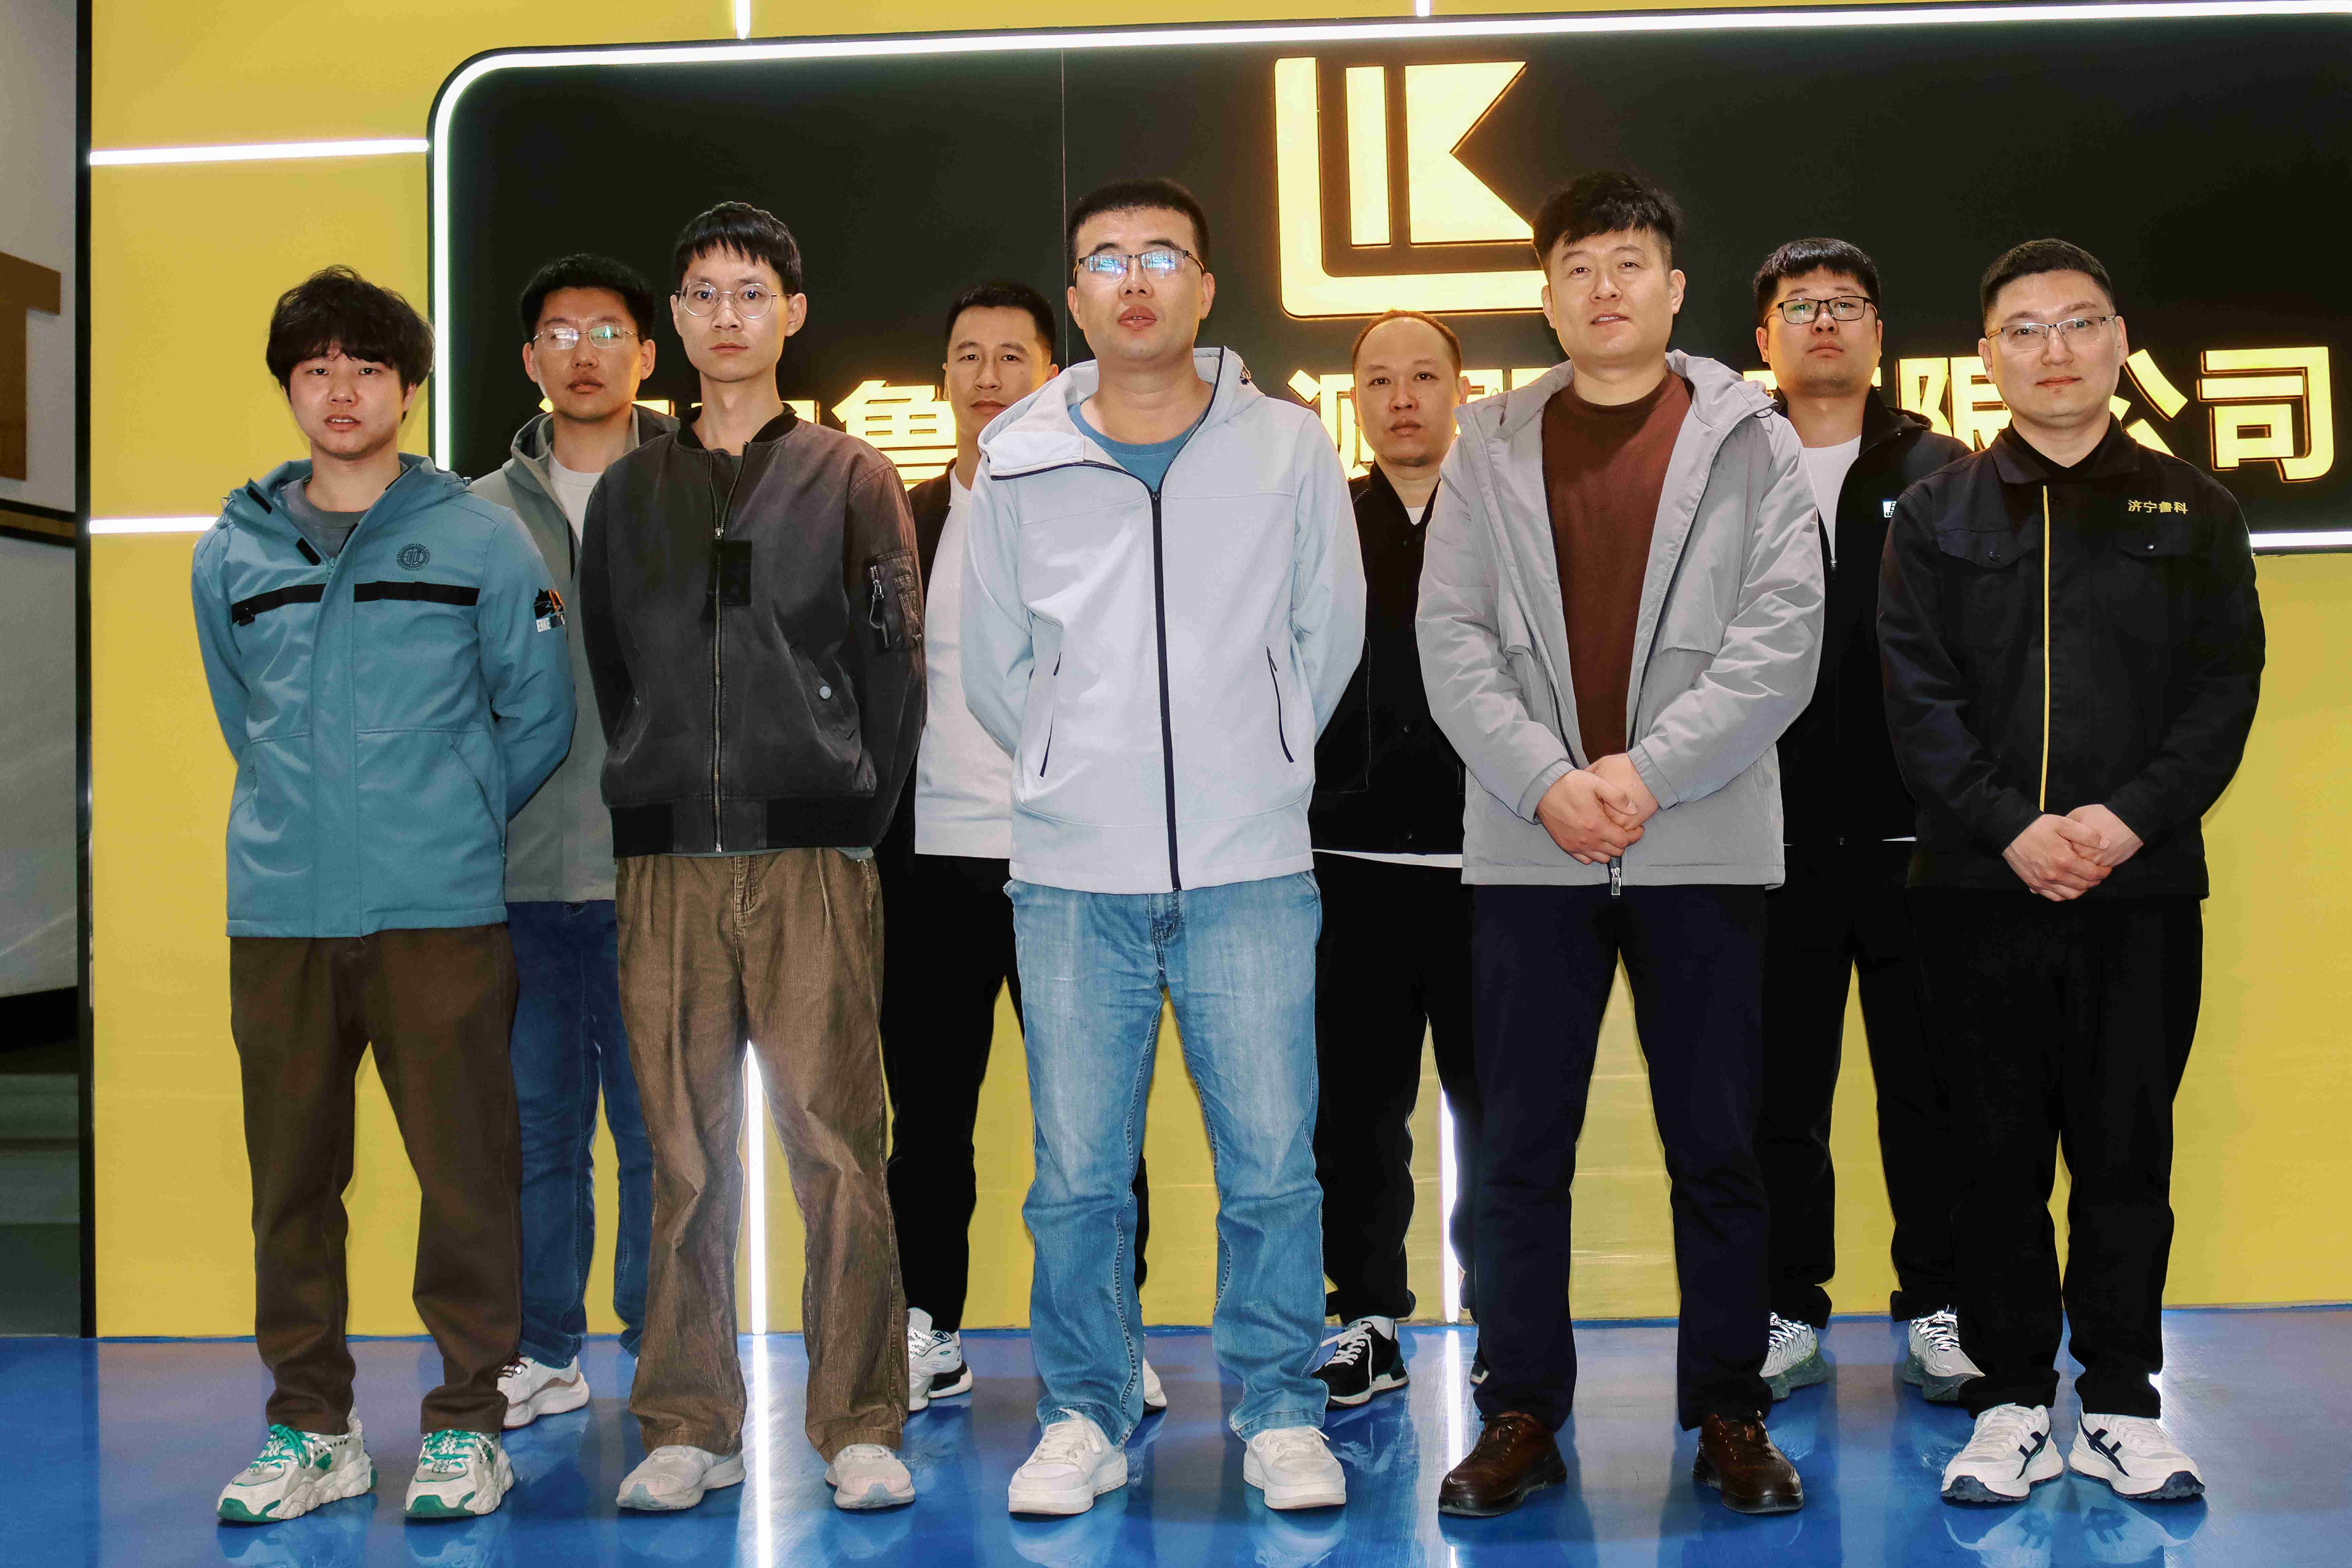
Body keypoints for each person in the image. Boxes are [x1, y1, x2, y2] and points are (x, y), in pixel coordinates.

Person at [1417, 172, 1822, 1518]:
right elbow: (1451, 638)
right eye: (1580, 267)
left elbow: (1782, 641)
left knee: (1721, 1147)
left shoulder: (1751, 438)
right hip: (1532, 847)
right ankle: (1521, 1409)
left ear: (1675, 287)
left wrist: (1643, 776)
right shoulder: (1489, 443)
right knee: (1519, 1152)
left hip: (1701, 841)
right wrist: (1550, 781)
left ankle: (1730, 1411)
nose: (1605, 288)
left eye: (1630, 263)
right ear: (1548, 295)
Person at [961, 177, 1365, 1516]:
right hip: (1073, 877)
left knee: (1273, 1168)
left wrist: (1265, 753)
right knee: (1077, 1178)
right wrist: (1069, 764)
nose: (1134, 281)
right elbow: (996, 664)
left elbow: (1326, 632)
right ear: (1076, 298)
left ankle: (1281, 1409)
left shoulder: (1288, 447)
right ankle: (1083, 1409)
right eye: (1105, 260)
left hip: (1251, 869)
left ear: (1206, 286)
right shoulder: (1018, 454)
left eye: (1161, 257)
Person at [1881, 240, 2263, 1507]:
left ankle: (2119, 1402)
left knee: (2125, 1157)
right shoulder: (1936, 516)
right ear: (1986, 360)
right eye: (2026, 330)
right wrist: (2013, 830)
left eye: (2080, 323)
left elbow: (2223, 694)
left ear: (2119, 344)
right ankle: (2007, 1405)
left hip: (2139, 892)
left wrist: (2125, 822)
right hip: (1976, 892)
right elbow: (1918, 702)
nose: (2055, 351)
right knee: (1990, 1160)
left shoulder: (2194, 511)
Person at [195, 266, 572, 1524]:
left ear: (408, 389)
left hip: (438, 913)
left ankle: (468, 1425)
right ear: (290, 390)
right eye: (317, 370)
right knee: (291, 1189)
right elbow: (245, 718)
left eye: (367, 368)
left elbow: (538, 714)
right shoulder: (232, 551)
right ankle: (313, 1429)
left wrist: (447, 817)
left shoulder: (479, 538)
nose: (342, 391)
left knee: (467, 1178)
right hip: (282, 916)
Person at [578, 201, 926, 1514]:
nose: (727, 316)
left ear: (793, 314)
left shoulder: (850, 476)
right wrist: (662, 782)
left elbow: (894, 671)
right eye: (704, 294)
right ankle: (688, 1419)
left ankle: (859, 1419)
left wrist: (842, 808)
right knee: (681, 1155)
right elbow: (612, 668)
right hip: (666, 865)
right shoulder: (628, 492)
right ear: (675, 321)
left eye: (751, 293)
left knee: (838, 1146)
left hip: (813, 860)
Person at [880, 279, 1168, 1414]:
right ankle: (927, 1326)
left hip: (1070, 861)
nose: (989, 376)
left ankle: (1112, 1329)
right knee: (929, 1118)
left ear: (1055, 374)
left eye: (1013, 356)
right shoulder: (895, 517)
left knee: (1094, 1124)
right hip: (930, 863)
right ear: (943, 379)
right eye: (969, 356)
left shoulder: (1093, 509)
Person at [1746, 239, 1977, 1405]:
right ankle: (1788, 1307)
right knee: (1777, 1098)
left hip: (1919, 844)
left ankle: (1938, 1303)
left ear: (1880, 334)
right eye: (1801, 308)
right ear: (1765, 340)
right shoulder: (1730, 467)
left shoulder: (1944, 470)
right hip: (1767, 842)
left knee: (1929, 1094)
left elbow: (1982, 654)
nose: (1825, 323)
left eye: (1846, 305)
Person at [470, 253, 672, 1431]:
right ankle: (546, 1348)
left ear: (646, 353)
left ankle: (665, 1351)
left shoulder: (698, 486)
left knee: (664, 1140)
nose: (583, 351)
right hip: (524, 875)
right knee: (539, 1133)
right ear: (531, 359)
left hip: (662, 877)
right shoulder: (475, 514)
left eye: (606, 330)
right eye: (559, 332)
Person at [1307, 309, 1481, 1407]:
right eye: (1380, 380)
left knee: (1499, 1112)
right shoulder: (1320, 524)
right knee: (1357, 1113)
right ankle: (1367, 1316)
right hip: (1348, 866)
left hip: (1492, 868)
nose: (1403, 398)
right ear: (1355, 400)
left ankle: (1510, 1318)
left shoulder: (1505, 519)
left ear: (1462, 392)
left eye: (1425, 376)